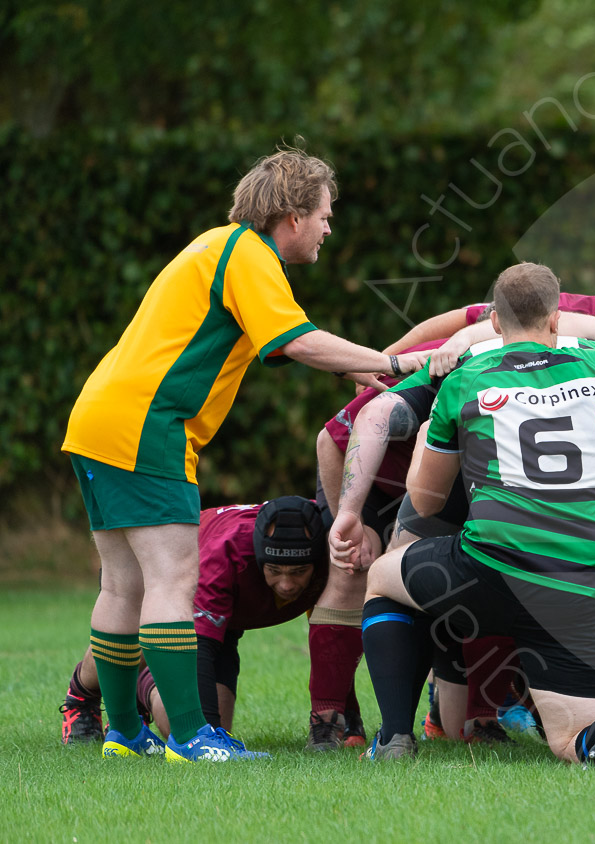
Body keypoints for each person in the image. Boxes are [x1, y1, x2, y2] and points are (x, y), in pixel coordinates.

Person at [61, 147, 430, 763]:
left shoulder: (221, 246)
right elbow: (299, 341)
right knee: (174, 577)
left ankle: (124, 732)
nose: (328, 227)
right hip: (148, 427)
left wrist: (358, 372)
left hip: (99, 419)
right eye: (324, 215)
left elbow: (285, 344)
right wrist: (392, 362)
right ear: (290, 215)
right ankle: (191, 736)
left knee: (123, 583)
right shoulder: (250, 255)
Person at [358, 262, 595, 764]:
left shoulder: (466, 379)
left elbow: (428, 501)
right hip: (575, 580)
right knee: (570, 744)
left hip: (489, 569)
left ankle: (394, 738)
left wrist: (432, 429)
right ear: (557, 317)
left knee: (382, 578)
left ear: (495, 323)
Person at [61, 497, 334, 746]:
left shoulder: (331, 541)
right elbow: (200, 646)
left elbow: (336, 633)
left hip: (227, 615)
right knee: (183, 722)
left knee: (219, 729)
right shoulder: (225, 556)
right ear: (259, 557)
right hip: (167, 591)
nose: (286, 585)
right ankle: (81, 696)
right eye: (274, 571)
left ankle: (138, 691)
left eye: (298, 572)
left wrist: (344, 715)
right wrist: (204, 739)